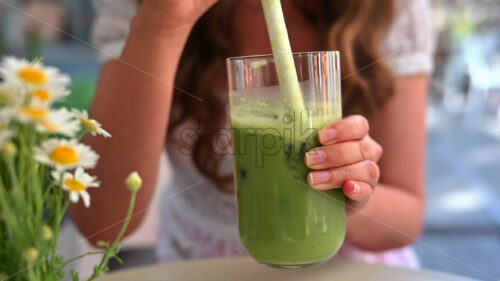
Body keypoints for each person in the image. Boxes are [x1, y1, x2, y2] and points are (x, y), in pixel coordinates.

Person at [70, 0, 434, 268]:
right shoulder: (143, 8)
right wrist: (162, 23)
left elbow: (406, 217)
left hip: (348, 269)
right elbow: (102, 224)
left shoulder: (391, 9)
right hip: (198, 266)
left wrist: (351, 195)